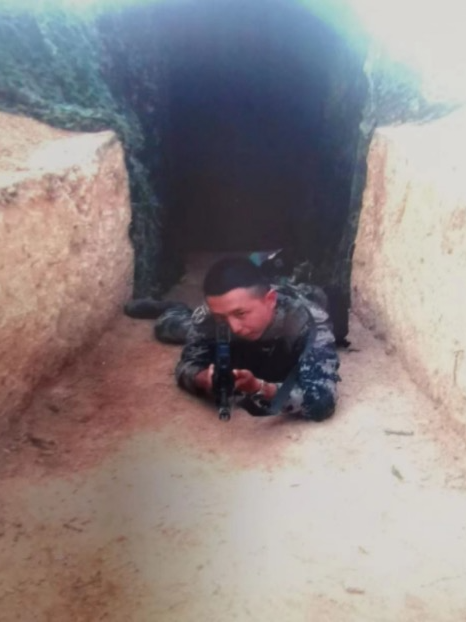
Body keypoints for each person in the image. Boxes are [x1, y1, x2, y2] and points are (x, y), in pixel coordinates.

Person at [126, 256, 341, 421]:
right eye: (221, 317)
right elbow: (188, 364)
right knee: (168, 328)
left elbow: (321, 401)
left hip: (303, 299)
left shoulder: (308, 322)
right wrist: (204, 379)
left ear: (270, 300)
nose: (234, 327)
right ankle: (174, 308)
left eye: (240, 314)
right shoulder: (211, 316)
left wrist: (260, 388)